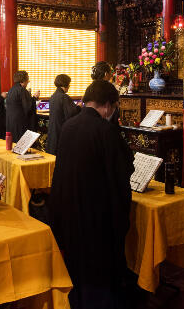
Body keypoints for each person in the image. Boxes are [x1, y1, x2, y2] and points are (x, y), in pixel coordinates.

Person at [49, 80, 133, 309]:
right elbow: (123, 170)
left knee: (77, 268)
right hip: (96, 216)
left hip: (69, 209)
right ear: (107, 106)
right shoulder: (105, 130)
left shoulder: (69, 125)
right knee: (100, 273)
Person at [47, 74, 81, 155]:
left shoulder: (53, 96)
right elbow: (71, 114)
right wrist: (79, 107)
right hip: (61, 129)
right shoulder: (64, 97)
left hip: (52, 129)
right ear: (66, 84)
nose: (69, 86)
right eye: (69, 83)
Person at [5, 70, 39, 142]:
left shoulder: (12, 89)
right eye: (27, 79)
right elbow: (28, 107)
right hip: (19, 121)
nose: (28, 82)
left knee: (13, 141)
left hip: (10, 120)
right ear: (24, 80)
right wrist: (34, 98)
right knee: (20, 141)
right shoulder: (22, 90)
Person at [91, 61, 120, 126]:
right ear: (106, 74)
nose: (111, 75)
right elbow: (115, 104)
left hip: (91, 122)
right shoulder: (109, 87)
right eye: (110, 73)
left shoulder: (90, 86)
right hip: (105, 123)